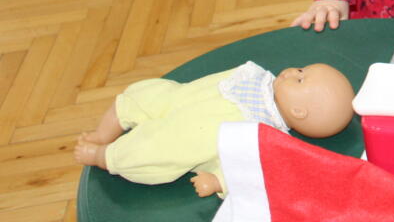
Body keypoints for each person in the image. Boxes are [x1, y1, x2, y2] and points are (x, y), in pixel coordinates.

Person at [73, 61, 354, 197]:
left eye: (300, 79)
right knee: (144, 95)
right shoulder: (258, 77)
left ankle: (103, 155)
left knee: (150, 152)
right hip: (182, 100)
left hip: (184, 139)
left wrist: (219, 182)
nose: (293, 71)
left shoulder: (265, 136)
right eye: (302, 69)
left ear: (299, 112)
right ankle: (103, 133)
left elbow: (250, 172)